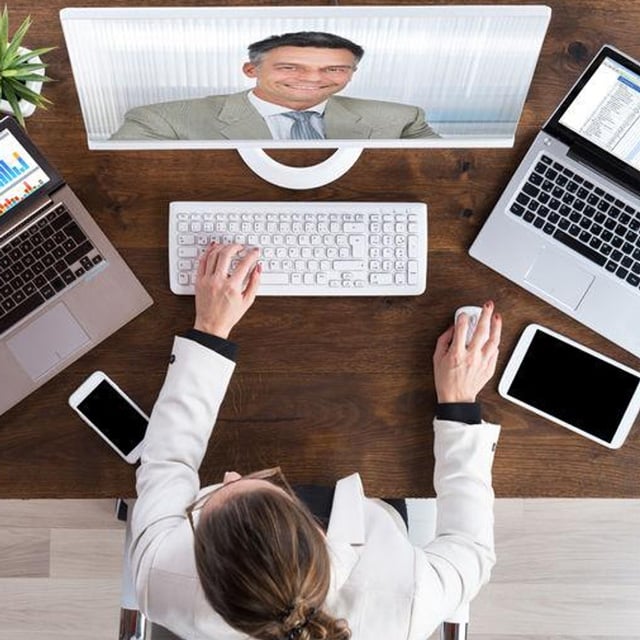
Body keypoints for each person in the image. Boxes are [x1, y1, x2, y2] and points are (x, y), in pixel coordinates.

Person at [130, 241, 502, 640]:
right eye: (256, 486)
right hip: (375, 510)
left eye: (207, 508)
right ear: (318, 530)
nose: (229, 474)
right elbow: (470, 550)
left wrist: (210, 331)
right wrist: (459, 405)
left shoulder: (160, 578)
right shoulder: (407, 601)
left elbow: (168, 460)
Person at [111, 31, 439, 141]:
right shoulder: (160, 121)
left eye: (334, 68)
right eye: (290, 67)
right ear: (250, 69)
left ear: (351, 73)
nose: (312, 79)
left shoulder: (402, 119)